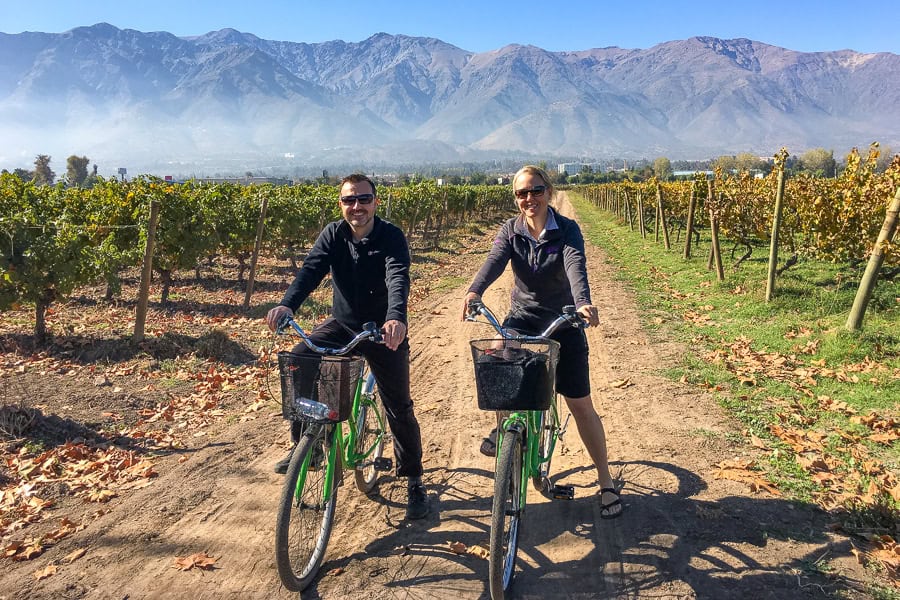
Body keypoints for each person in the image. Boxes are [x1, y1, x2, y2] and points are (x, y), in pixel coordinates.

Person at [461, 165, 623, 519]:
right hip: (523, 317)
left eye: (535, 191)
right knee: (502, 376)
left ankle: (606, 480)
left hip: (563, 320)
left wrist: (583, 304)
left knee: (580, 404)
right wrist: (475, 291)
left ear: (548, 192)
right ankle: (508, 431)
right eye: (522, 193)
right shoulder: (511, 231)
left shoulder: (566, 230)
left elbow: (575, 265)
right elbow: (494, 262)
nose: (529, 199)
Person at [266, 174, 429, 520]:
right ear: (341, 204)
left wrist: (396, 318)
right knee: (299, 359)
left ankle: (413, 477)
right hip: (343, 325)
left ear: (376, 202)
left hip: (385, 330)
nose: (357, 207)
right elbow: (310, 271)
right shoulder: (333, 234)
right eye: (349, 200)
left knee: (398, 404)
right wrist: (287, 305)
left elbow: (397, 277)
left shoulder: (391, 237)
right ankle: (306, 449)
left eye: (364, 199)